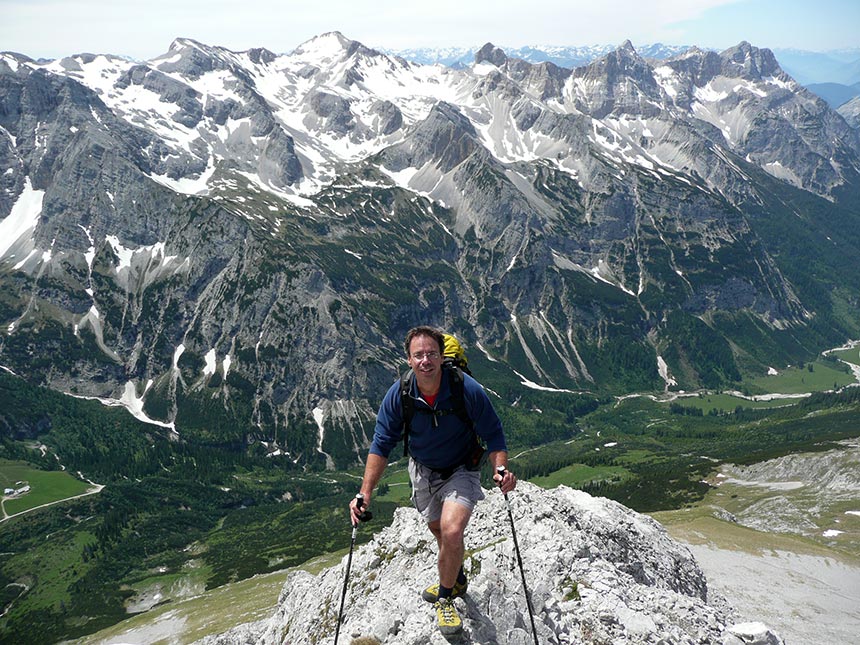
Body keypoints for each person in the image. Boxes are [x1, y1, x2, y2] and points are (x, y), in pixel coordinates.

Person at [349, 325, 516, 635]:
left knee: (452, 532)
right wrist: (365, 494)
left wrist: (501, 469)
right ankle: (457, 576)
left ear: (441, 357)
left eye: (431, 354)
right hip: (423, 470)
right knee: (440, 532)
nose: (425, 360)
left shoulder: (465, 389)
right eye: (418, 355)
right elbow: (381, 443)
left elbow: (493, 432)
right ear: (409, 360)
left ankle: (445, 597)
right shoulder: (399, 393)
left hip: (462, 467)